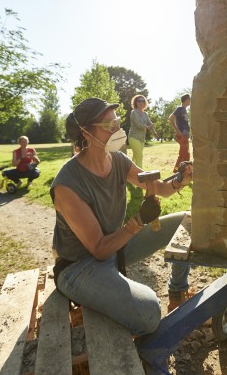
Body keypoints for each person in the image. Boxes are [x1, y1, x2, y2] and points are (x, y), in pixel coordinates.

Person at [51, 97, 193, 336]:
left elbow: (160, 188)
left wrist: (181, 180)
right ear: (86, 133)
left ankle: (177, 293)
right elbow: (98, 249)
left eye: (117, 122)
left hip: (115, 247)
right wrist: (138, 221)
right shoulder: (67, 185)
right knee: (149, 313)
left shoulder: (118, 160)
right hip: (79, 267)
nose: (118, 129)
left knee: (188, 223)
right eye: (109, 126)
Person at [128, 94, 158, 168]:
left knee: (135, 158)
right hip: (133, 138)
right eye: (139, 101)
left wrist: (154, 132)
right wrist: (148, 127)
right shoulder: (133, 112)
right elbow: (139, 125)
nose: (141, 102)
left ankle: (130, 176)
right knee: (140, 156)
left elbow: (150, 123)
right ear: (135, 103)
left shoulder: (145, 114)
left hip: (141, 139)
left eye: (143, 101)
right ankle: (140, 176)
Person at [169, 94, 191, 172]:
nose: (190, 101)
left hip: (185, 135)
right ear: (186, 100)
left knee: (186, 155)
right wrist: (177, 131)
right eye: (190, 99)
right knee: (183, 155)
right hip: (182, 135)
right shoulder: (180, 109)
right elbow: (171, 118)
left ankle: (184, 172)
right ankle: (176, 171)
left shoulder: (184, 110)